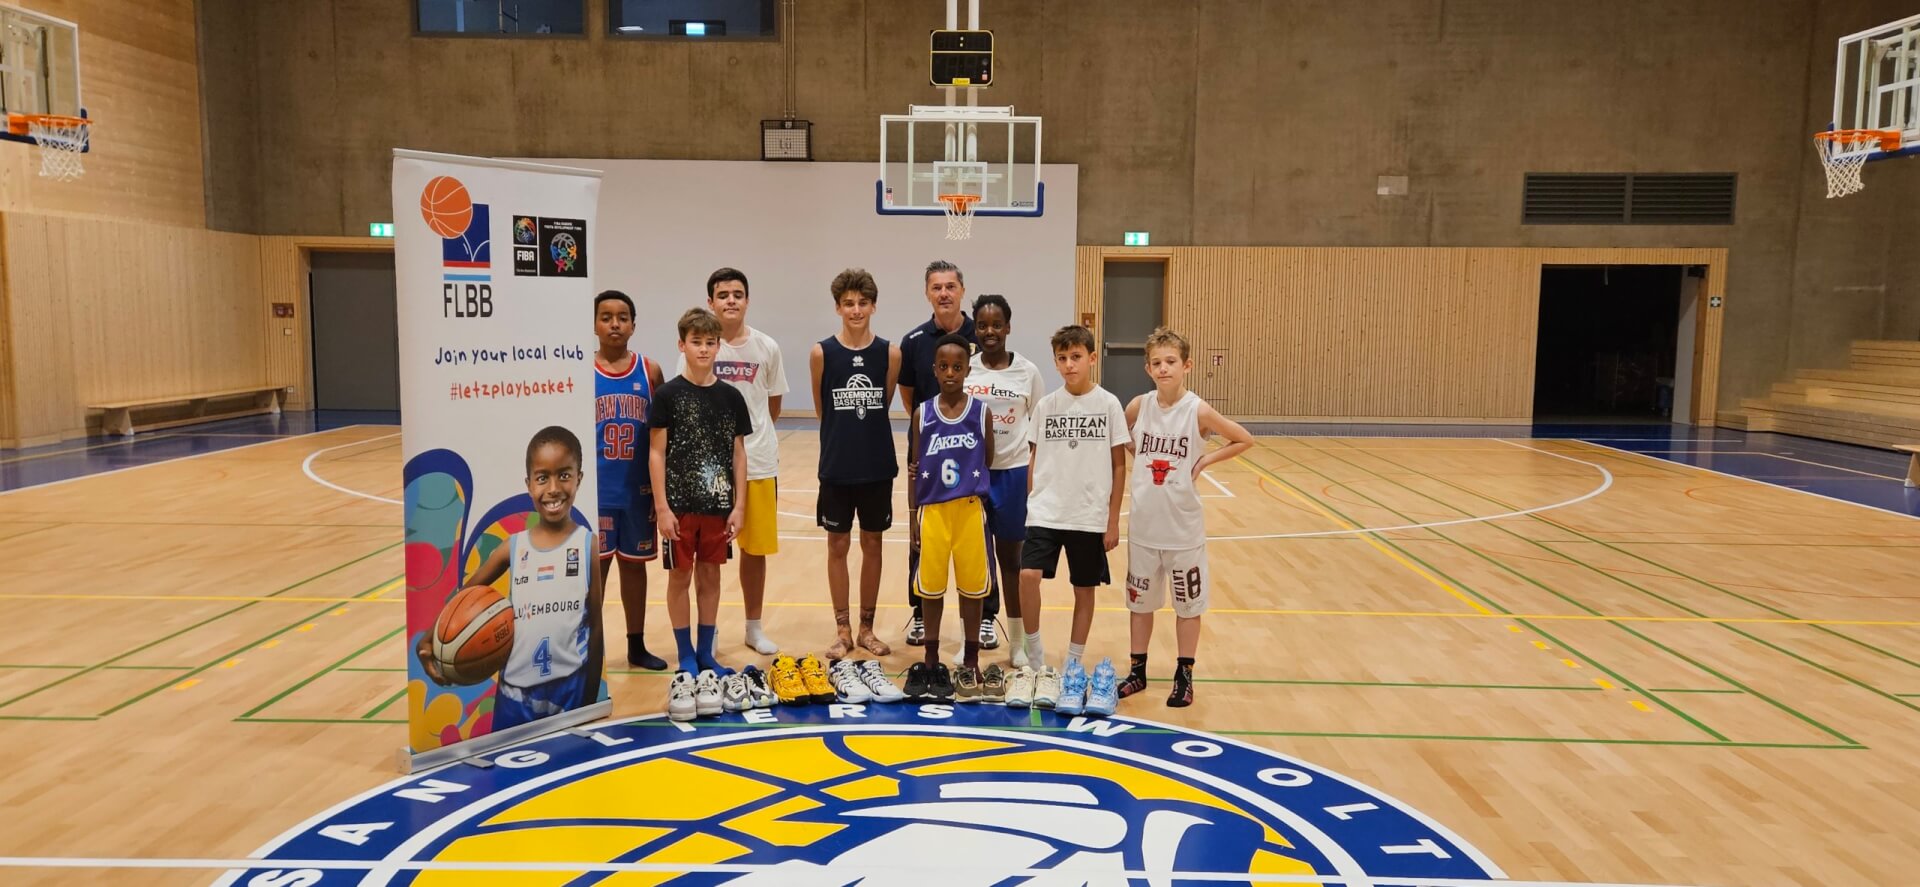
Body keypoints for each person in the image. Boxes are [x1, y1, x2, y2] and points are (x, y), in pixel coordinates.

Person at [416, 426, 604, 731]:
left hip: (570, 686)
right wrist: (429, 639)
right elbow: (465, 599)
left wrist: (590, 703)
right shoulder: (513, 547)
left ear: (579, 478)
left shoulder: (588, 546)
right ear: (528, 484)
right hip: (513, 694)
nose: (553, 488)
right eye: (542, 478)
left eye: (564, 475)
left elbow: (596, 630)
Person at [1121, 327, 1254, 707]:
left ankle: (1184, 674)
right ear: (1147, 368)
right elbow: (1122, 435)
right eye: (1157, 363)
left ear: (1187, 365)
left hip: (1182, 529)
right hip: (1144, 525)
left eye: (1171, 362)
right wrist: (1139, 457)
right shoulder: (1139, 406)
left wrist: (1205, 461)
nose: (1164, 368)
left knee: (1188, 606)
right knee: (1139, 604)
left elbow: (1244, 438)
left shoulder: (1198, 410)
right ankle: (1137, 671)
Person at [1005, 325, 1128, 714]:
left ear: (1091, 358)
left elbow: (1119, 465)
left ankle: (1074, 662)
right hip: (1047, 509)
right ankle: (1036, 656)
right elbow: (1034, 457)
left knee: (1083, 588)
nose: (1069, 364)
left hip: (1088, 513)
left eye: (1076, 357)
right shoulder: (1046, 406)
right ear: (1055, 362)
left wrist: (1112, 521)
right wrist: (1033, 500)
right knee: (1028, 575)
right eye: (1062, 358)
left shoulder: (1109, 404)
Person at [678, 268, 787, 657]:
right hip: (707, 470)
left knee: (754, 551)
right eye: (723, 295)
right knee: (707, 557)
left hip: (757, 463)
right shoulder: (701, 347)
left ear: (747, 300)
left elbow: (773, 406)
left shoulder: (766, 347)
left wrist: (748, 440)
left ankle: (753, 627)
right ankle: (709, 630)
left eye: (737, 294)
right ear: (710, 302)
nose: (730, 301)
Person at [649, 308, 753, 679]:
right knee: (680, 577)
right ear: (682, 345)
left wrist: (739, 505)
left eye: (710, 342)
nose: (704, 349)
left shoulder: (731, 397)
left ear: (719, 346)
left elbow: (739, 454)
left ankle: (706, 652)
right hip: (679, 506)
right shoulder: (667, 395)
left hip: (718, 506)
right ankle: (685, 654)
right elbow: (656, 453)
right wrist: (662, 507)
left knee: (710, 577)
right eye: (696, 342)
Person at [896, 260, 988, 649]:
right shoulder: (913, 341)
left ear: (962, 290)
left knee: (978, 543)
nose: (944, 293)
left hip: (970, 453)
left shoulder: (982, 334)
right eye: (937, 287)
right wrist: (933, 427)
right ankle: (920, 614)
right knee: (922, 536)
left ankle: (986, 618)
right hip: (930, 446)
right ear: (927, 293)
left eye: (951, 286)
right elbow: (909, 398)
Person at [810, 268, 900, 660]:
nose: (856, 310)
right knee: (837, 544)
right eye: (848, 303)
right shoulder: (822, 353)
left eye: (863, 303)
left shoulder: (890, 353)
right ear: (838, 307)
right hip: (837, 464)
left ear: (873, 306)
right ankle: (842, 629)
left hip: (877, 464)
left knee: (873, 543)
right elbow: (822, 410)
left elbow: (884, 402)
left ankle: (866, 628)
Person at [904, 334, 996, 703]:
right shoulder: (922, 413)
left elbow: (988, 458)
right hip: (933, 511)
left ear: (968, 370)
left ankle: (971, 660)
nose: (951, 373)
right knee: (931, 589)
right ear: (934, 370)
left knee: (972, 589)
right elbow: (914, 468)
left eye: (957, 367)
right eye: (943, 367)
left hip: (970, 510)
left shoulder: (981, 412)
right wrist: (913, 515)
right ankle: (931, 659)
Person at [966, 294, 1043, 669]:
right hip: (973, 475)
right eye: (982, 325)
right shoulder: (966, 368)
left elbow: (1038, 427)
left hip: (1013, 474)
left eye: (997, 324)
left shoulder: (1027, 372)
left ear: (1008, 327)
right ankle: (970, 642)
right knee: (974, 563)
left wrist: (1033, 476)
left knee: (1011, 561)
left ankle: (1018, 643)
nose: (990, 331)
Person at [592, 290, 668, 671]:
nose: (615, 324)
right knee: (596, 572)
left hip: (638, 491)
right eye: (606, 317)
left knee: (635, 567)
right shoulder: (581, 371)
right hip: (597, 491)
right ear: (594, 324)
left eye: (622, 317)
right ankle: (590, 649)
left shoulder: (649, 371)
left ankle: (636, 645)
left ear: (633, 325)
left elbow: (664, 431)